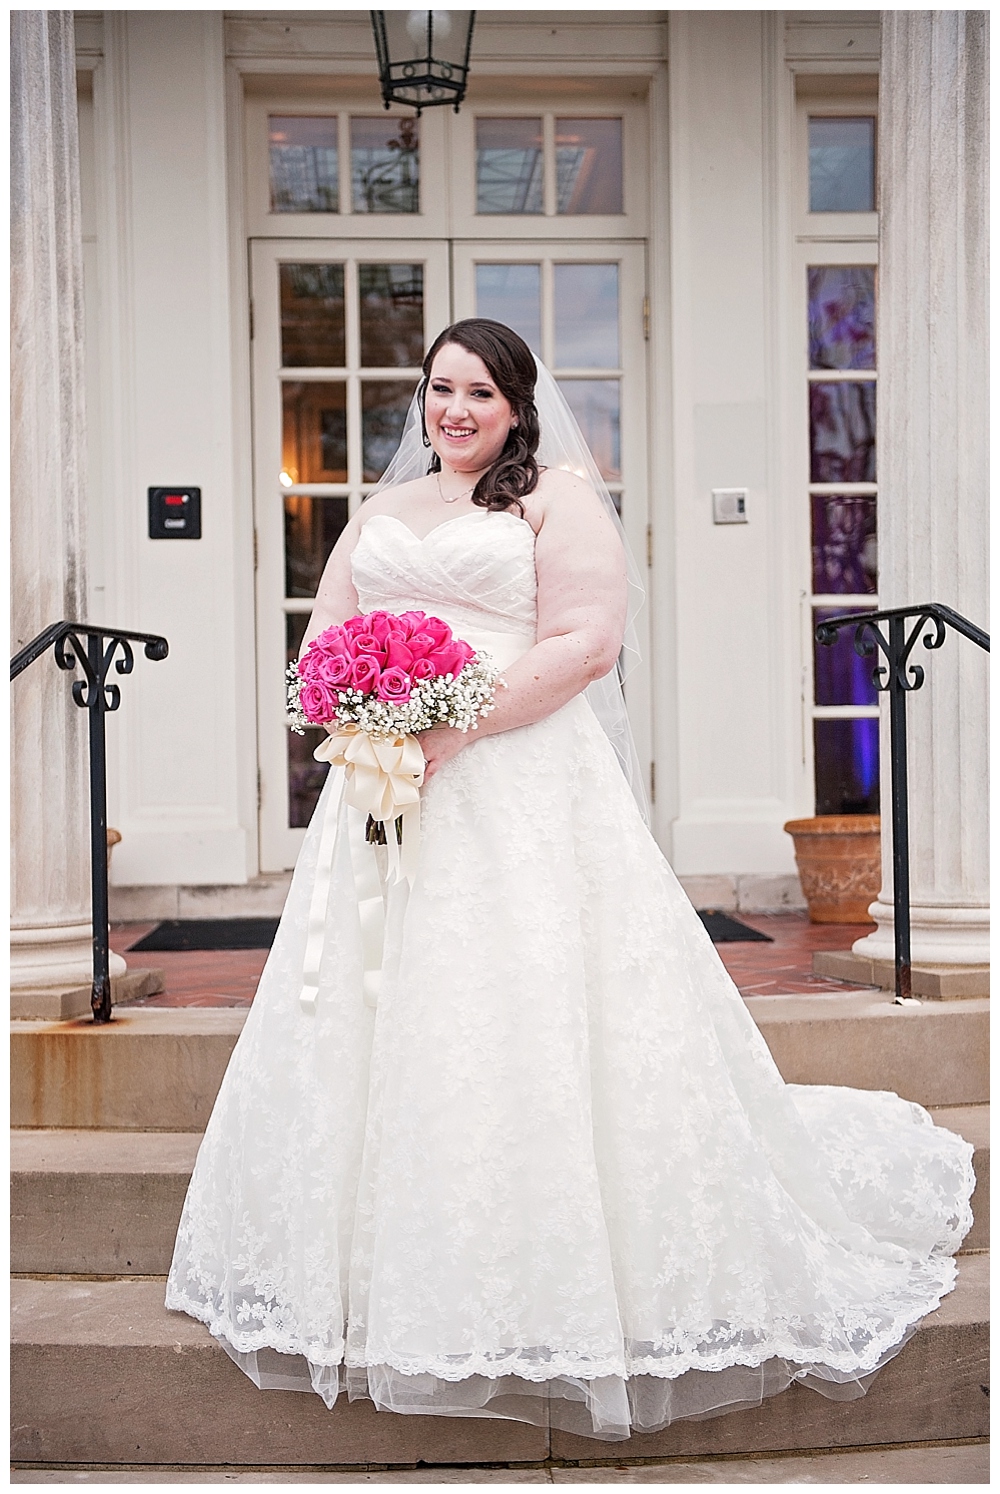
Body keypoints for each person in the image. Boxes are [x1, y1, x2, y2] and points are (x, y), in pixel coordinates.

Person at [166, 319, 974, 1441]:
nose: (455, 410)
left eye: (479, 394)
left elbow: (585, 641)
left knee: (525, 996)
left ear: (515, 406)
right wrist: (362, 710)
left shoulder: (551, 498)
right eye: (441, 389)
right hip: (384, 791)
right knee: (384, 1004)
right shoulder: (381, 511)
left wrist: (452, 726)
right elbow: (324, 641)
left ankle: (561, 1257)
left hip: (520, 780)